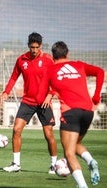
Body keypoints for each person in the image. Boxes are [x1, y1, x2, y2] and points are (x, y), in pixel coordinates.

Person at [36, 41, 104, 187]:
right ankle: (91, 161)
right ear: (68, 54)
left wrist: (50, 93)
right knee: (76, 144)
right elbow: (100, 71)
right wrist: (96, 96)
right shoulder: (79, 65)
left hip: (70, 113)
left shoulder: (50, 70)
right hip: (88, 112)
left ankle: (82, 186)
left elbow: (39, 98)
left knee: (69, 153)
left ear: (53, 56)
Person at [0, 32, 58, 174]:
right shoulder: (21, 60)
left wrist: (50, 95)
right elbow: (13, 78)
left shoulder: (48, 60)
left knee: (48, 134)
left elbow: (55, 80)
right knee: (16, 129)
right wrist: (6, 92)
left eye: (37, 47)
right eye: (32, 47)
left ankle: (54, 165)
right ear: (28, 46)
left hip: (44, 102)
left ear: (41, 46)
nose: (34, 50)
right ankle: (16, 164)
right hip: (28, 101)